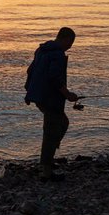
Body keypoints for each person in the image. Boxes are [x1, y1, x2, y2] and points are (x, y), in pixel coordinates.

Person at [24, 26, 79, 180]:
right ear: (65, 39)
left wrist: (29, 92)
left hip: (39, 96)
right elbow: (54, 79)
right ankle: (46, 171)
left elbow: (30, 71)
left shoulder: (42, 50)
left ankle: (47, 160)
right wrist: (68, 94)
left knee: (61, 124)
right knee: (52, 131)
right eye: (71, 42)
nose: (71, 46)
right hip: (49, 98)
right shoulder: (57, 55)